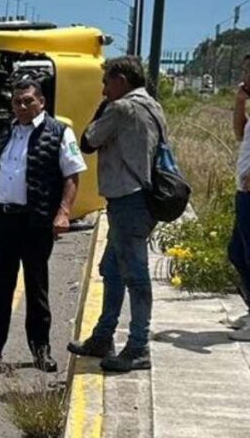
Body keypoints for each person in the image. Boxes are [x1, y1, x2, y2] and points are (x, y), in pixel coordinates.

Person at [0, 78, 86, 372]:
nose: (21, 106)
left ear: (41, 102)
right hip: (5, 220)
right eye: (17, 101)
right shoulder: (8, 131)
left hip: (36, 221)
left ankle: (41, 350)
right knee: (0, 288)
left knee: (36, 287)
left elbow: (72, 174)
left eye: (28, 101)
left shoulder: (59, 132)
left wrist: (63, 212)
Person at [68, 56, 165, 372]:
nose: (104, 88)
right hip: (140, 199)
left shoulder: (121, 108)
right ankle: (103, 336)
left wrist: (103, 105)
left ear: (122, 80)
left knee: (135, 276)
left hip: (128, 200)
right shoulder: (153, 105)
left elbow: (88, 141)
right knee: (111, 268)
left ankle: (138, 347)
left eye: (107, 82)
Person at [228, 55, 250, 341]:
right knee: (237, 251)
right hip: (244, 189)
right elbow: (238, 133)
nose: (245, 75)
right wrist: (239, 102)